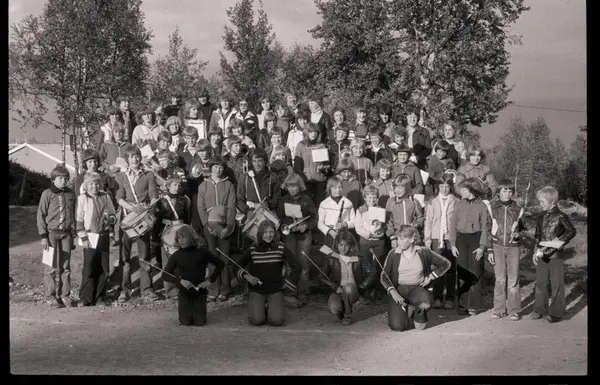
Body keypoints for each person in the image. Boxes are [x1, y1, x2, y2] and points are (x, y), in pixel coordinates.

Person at [381, 225, 451, 331]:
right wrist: (393, 292)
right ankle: (402, 313)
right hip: (398, 290)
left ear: (412, 239)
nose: (398, 242)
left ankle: (416, 314)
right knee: (398, 326)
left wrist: (431, 277)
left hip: (417, 289)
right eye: (398, 238)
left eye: (402, 239)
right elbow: (383, 277)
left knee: (421, 322)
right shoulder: (393, 254)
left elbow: (446, 264)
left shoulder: (423, 252)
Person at [114, 145, 160, 304]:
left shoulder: (148, 175)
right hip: (127, 219)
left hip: (143, 219)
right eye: (132, 156)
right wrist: (133, 209)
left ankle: (147, 289)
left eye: (137, 156)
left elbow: (154, 195)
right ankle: (124, 290)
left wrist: (149, 207)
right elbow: (119, 198)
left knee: (144, 255)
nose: (135, 158)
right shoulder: (121, 176)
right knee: (125, 257)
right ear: (127, 159)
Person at [234, 220, 302, 326]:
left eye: (271, 232)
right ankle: (261, 307)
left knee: (276, 321)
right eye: (265, 232)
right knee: (257, 321)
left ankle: (271, 307)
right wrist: (247, 276)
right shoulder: (253, 249)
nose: (268, 235)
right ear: (260, 234)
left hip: (275, 290)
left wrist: (287, 284)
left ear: (275, 233)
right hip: (257, 290)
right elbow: (236, 266)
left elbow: (297, 266)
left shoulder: (281, 247)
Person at [530, 186, 577, 323]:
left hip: (555, 256)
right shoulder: (540, 216)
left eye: (542, 202)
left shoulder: (561, 215)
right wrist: (535, 251)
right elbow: (537, 236)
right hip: (541, 255)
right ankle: (539, 309)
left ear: (552, 202)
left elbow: (571, 231)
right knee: (540, 283)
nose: (540, 204)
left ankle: (556, 312)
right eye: (539, 201)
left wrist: (558, 242)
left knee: (557, 284)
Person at [162, 225, 225, 326]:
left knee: (199, 323)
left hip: (200, 292)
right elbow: (165, 275)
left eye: (183, 237)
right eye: (178, 238)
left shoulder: (202, 252)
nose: (181, 240)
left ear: (191, 237)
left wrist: (210, 280)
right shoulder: (176, 255)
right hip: (184, 293)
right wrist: (180, 281)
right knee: (185, 322)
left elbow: (220, 264)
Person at [37, 165, 78, 308]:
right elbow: (41, 215)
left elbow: (73, 214)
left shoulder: (71, 194)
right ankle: (50, 296)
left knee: (65, 266)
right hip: (51, 234)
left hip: (66, 234)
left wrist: (73, 233)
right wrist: (43, 236)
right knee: (50, 267)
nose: (63, 181)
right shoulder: (47, 193)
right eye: (60, 178)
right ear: (53, 179)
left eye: (66, 178)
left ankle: (65, 295)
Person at [197, 156, 237, 302]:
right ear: (211, 167)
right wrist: (207, 225)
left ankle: (225, 289)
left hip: (225, 226)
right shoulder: (203, 185)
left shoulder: (229, 185)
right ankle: (213, 288)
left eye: (221, 167)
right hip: (209, 227)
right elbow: (200, 208)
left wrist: (228, 226)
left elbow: (232, 207)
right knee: (212, 257)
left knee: (224, 257)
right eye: (215, 167)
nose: (218, 170)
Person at [75, 172, 117, 307]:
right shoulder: (82, 199)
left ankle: (100, 296)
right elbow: (79, 220)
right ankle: (86, 297)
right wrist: (84, 238)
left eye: (97, 183)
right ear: (86, 185)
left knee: (104, 267)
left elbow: (113, 215)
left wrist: (110, 219)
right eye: (91, 184)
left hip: (103, 235)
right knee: (89, 267)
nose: (94, 186)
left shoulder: (106, 197)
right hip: (89, 237)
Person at [449, 177, 489, 315]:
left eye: (464, 189)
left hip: (476, 240)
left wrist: (482, 246)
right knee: (462, 272)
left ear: (471, 189)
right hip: (461, 239)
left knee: (475, 271)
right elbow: (452, 225)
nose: (461, 191)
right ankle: (462, 304)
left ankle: (474, 305)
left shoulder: (482, 206)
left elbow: (485, 227)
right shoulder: (458, 204)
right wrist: (453, 244)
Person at [488, 179, 527, 321]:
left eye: (510, 191)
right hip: (497, 246)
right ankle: (499, 309)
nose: (508, 193)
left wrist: (518, 234)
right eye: (505, 190)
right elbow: (487, 230)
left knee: (513, 279)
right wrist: (489, 250)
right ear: (498, 192)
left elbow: (524, 229)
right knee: (499, 278)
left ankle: (514, 310)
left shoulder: (519, 209)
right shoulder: (492, 208)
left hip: (513, 248)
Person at [320, 230, 377, 325]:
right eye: (341, 245)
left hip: (353, 290)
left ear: (351, 246)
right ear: (337, 245)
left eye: (346, 245)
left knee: (348, 288)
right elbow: (321, 277)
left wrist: (361, 287)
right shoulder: (331, 258)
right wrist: (334, 287)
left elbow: (371, 274)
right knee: (334, 308)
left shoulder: (358, 258)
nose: (343, 248)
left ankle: (348, 315)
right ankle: (342, 311)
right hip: (338, 290)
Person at [277, 173, 318, 303]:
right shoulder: (284, 200)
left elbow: (315, 217)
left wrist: (306, 225)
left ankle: (303, 292)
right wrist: (287, 225)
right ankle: (291, 292)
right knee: (291, 264)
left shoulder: (307, 199)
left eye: (294, 186)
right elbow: (280, 217)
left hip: (304, 235)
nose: (291, 189)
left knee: (304, 265)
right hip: (289, 235)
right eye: (289, 186)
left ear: (300, 186)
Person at [424, 173, 459, 310]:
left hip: (450, 238)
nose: (444, 189)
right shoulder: (433, 202)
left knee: (450, 268)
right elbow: (429, 221)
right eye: (442, 186)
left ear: (451, 187)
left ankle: (450, 298)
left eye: (447, 186)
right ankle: (437, 297)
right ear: (438, 187)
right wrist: (427, 238)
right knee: (437, 268)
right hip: (436, 237)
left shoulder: (456, 201)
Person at [354, 185, 388, 301]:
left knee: (379, 265)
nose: (372, 200)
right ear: (364, 198)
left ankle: (378, 291)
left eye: (374, 198)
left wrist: (381, 232)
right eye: (369, 198)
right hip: (365, 241)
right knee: (366, 267)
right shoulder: (360, 210)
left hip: (379, 241)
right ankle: (365, 292)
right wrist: (369, 234)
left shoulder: (380, 210)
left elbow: (383, 226)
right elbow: (358, 228)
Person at [236, 147, 281, 223]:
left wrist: (268, 204)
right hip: (251, 215)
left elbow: (278, 198)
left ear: (265, 161)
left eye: (260, 161)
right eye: (254, 161)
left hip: (267, 215)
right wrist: (247, 211)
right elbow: (239, 199)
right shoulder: (244, 178)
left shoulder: (273, 177)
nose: (257, 164)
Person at [294, 122, 331, 207]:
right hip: (306, 180)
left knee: (319, 205)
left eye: (316, 132)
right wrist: (302, 178)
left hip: (319, 181)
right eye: (311, 131)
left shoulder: (321, 146)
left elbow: (327, 166)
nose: (314, 134)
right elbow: (297, 166)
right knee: (307, 205)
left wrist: (324, 168)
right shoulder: (300, 146)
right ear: (306, 132)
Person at [385, 174, 425, 247]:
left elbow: (421, 217)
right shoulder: (391, 201)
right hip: (398, 238)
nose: (397, 190)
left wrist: (415, 224)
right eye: (396, 187)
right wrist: (392, 237)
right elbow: (388, 221)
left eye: (400, 188)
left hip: (412, 237)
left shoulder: (414, 201)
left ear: (407, 188)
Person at [318, 176, 356, 248]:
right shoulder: (324, 204)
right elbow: (320, 224)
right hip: (330, 235)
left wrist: (343, 224)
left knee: (343, 257)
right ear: (330, 188)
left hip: (344, 235)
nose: (338, 190)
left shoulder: (348, 203)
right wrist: (331, 232)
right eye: (335, 188)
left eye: (340, 187)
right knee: (329, 256)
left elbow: (354, 221)